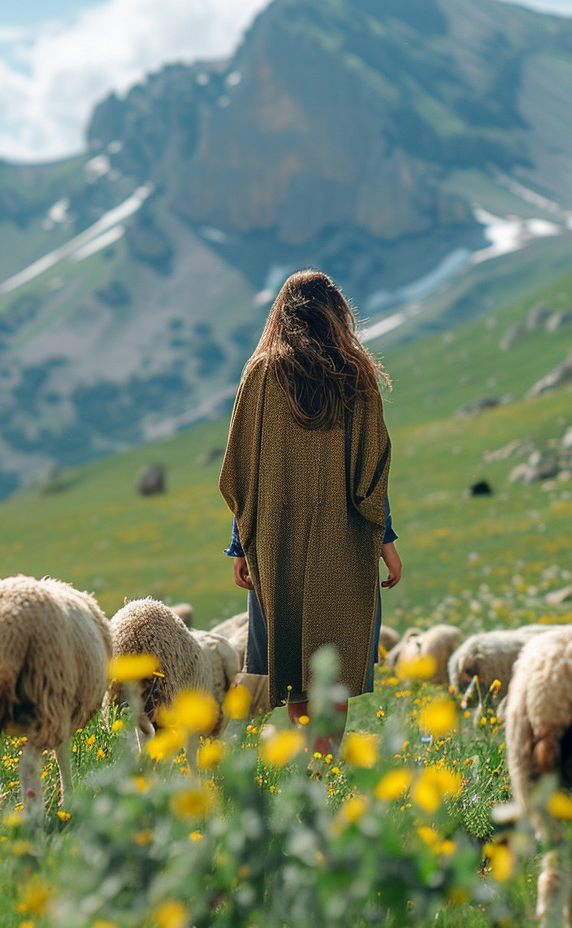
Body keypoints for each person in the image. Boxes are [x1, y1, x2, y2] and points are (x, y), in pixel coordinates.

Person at [218, 269, 402, 754]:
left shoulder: (260, 374)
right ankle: (327, 760)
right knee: (333, 658)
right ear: (336, 315)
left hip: (275, 541)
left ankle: (313, 762)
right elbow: (373, 474)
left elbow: (243, 470)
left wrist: (241, 544)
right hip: (342, 542)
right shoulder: (357, 377)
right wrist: (386, 542)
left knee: (292, 653)